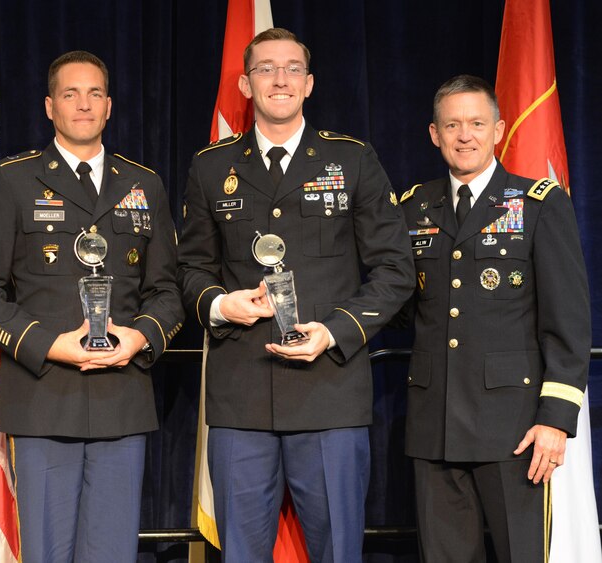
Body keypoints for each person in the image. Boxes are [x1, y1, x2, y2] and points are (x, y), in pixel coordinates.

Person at [177, 28, 414, 562]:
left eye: (290, 69)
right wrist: (220, 304)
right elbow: (190, 269)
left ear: (308, 84)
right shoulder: (211, 166)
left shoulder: (352, 161)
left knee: (337, 554)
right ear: (244, 83)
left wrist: (335, 331)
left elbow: (396, 269)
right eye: (265, 68)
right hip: (240, 397)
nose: (279, 78)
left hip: (329, 393)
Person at [0, 50, 183, 563]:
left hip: (121, 401)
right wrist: (48, 344)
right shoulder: (12, 181)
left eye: (95, 93)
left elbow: (167, 291)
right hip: (42, 400)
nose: (84, 104)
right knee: (47, 553)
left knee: (112, 554)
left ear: (108, 107)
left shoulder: (144, 184)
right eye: (70, 94)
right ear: (49, 107)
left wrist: (140, 336)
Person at [399, 74, 591, 562]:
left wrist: (556, 420)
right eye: (453, 124)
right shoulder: (412, 207)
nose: (466, 135)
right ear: (434, 133)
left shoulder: (538, 204)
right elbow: (399, 304)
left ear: (499, 129)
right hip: (434, 423)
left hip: (514, 429)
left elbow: (567, 324)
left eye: (477, 123)